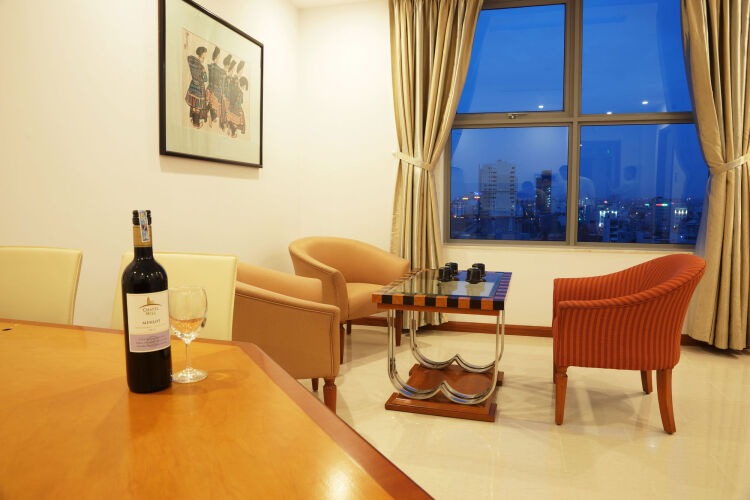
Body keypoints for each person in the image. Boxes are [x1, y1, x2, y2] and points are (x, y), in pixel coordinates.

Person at [185, 46, 208, 128]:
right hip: (199, 88)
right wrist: (203, 72)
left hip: (193, 85)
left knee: (194, 105)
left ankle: (193, 120)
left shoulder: (193, 62)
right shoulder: (201, 67)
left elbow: (189, 57)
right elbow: (205, 79)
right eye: (204, 56)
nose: (204, 58)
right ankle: (196, 124)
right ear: (201, 55)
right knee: (197, 106)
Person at [205, 46, 225, 127]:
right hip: (213, 88)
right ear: (216, 56)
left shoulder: (215, 67)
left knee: (213, 103)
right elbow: (213, 79)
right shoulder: (213, 67)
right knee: (213, 102)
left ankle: (211, 116)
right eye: (218, 56)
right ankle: (211, 117)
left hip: (214, 87)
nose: (219, 58)